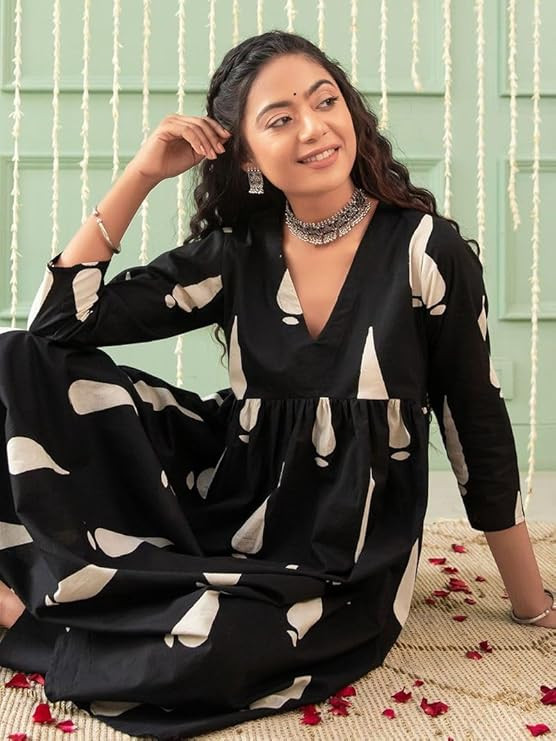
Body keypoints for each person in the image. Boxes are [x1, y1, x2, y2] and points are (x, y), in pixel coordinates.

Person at [0, 29, 553, 740]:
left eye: (325, 102)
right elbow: (57, 325)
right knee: (18, 357)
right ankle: (81, 591)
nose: (314, 128)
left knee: (220, 646)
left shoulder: (424, 249)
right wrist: (141, 173)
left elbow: (474, 420)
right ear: (244, 154)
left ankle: (29, 615)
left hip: (341, 545)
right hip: (224, 493)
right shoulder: (239, 253)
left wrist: (528, 601)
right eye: (280, 118)